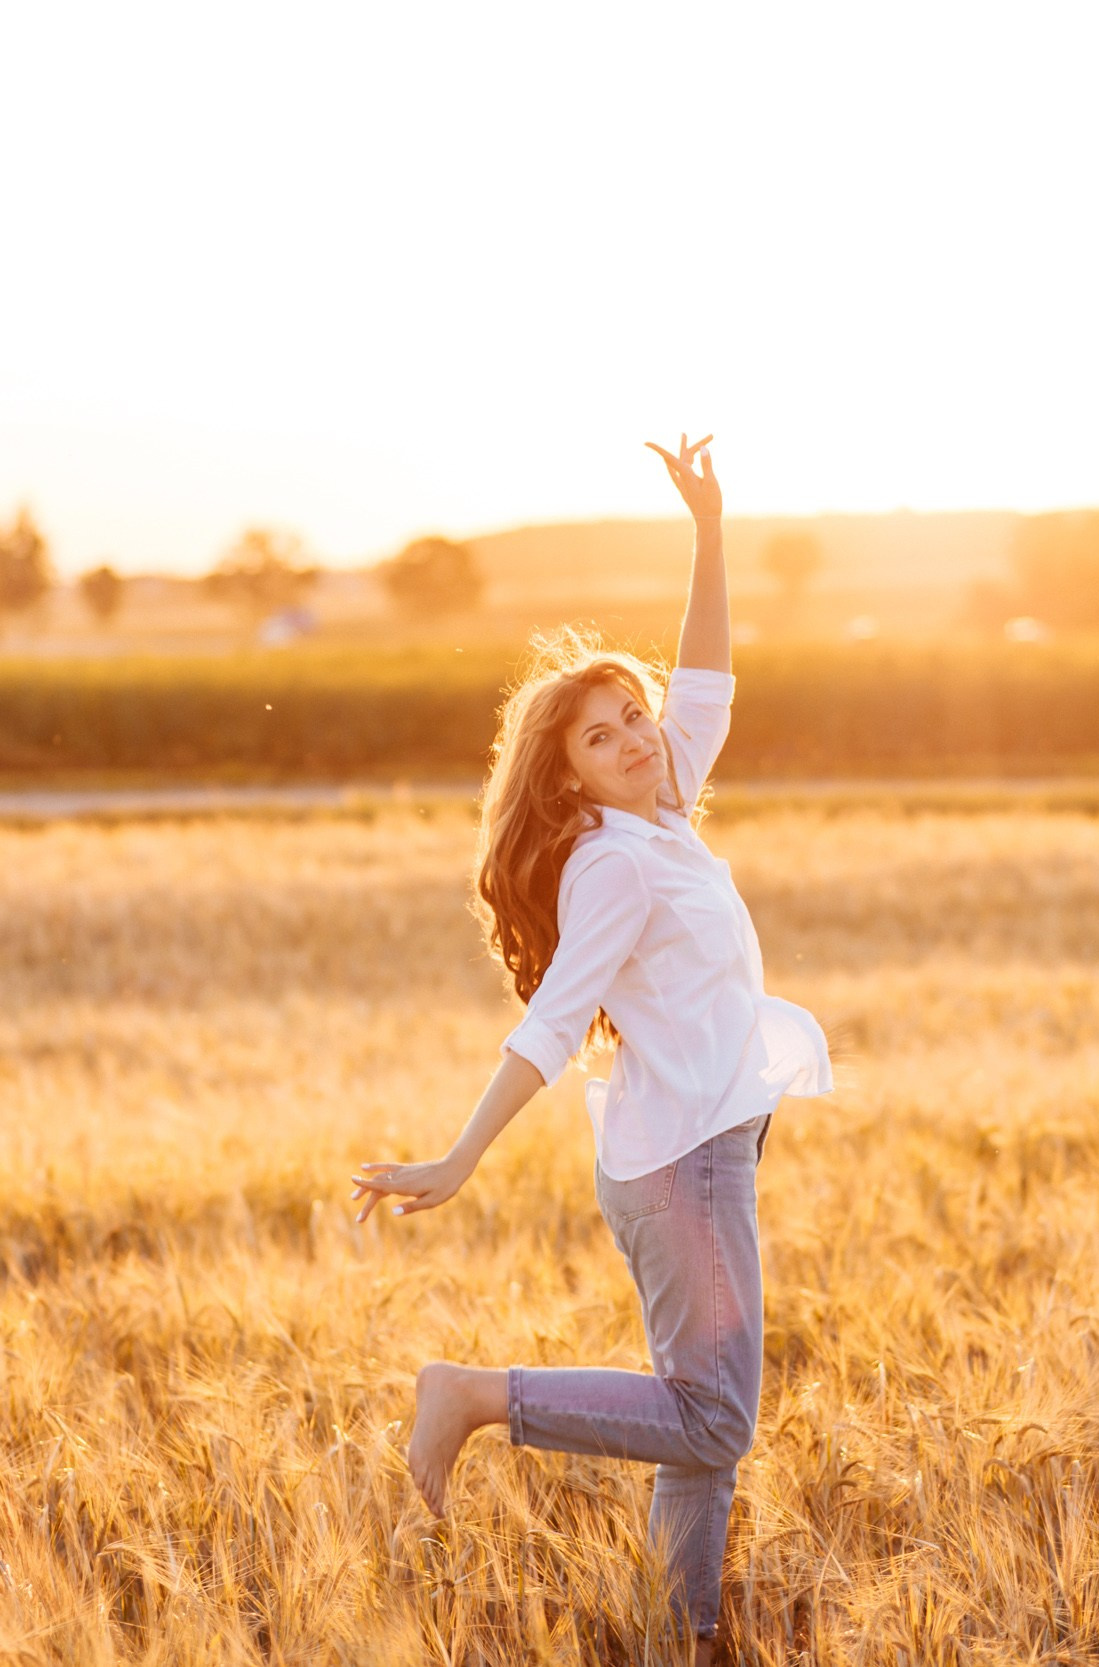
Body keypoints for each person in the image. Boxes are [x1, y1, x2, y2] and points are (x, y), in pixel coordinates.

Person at [349, 435, 832, 1660]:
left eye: (635, 716)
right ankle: (473, 1394)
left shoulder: (662, 804)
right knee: (714, 1416)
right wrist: (457, 1157)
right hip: (681, 1169)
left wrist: (710, 533)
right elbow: (556, 1018)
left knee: (694, 1425)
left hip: (695, 1149)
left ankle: (685, 1631)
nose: (637, 737)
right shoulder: (612, 860)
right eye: (604, 738)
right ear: (569, 786)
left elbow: (708, 677)